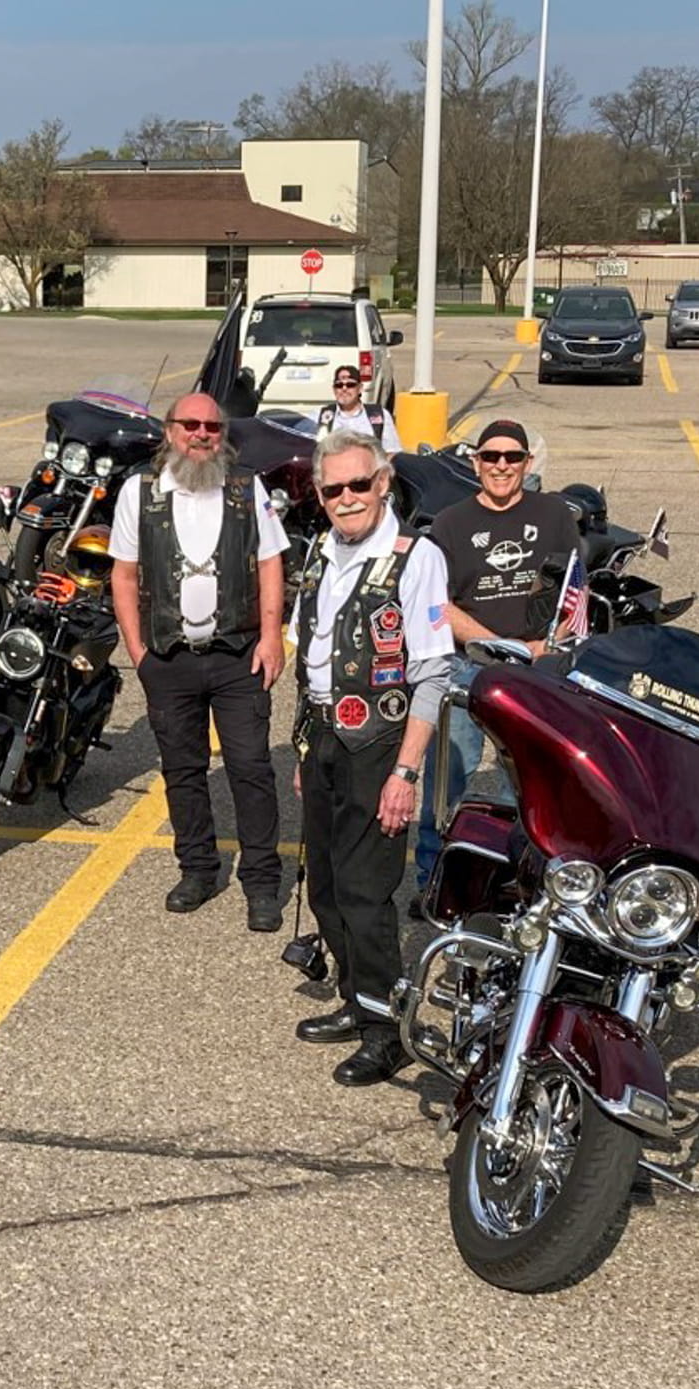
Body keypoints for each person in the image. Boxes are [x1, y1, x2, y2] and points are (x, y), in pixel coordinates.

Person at [288, 430, 453, 1085]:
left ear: (384, 483)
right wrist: (306, 747)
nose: (348, 498)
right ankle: (357, 1002)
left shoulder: (416, 558)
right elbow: (313, 658)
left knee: (365, 892)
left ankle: (389, 1029)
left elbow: (433, 672)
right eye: (335, 489)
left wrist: (405, 772)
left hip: (380, 747)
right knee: (327, 887)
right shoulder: (319, 553)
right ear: (320, 495)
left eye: (361, 484)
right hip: (324, 736)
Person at [109, 391, 289, 929]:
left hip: (238, 654)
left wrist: (272, 635)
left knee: (251, 769)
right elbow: (123, 575)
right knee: (183, 771)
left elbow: (270, 562)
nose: (202, 434)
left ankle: (261, 883)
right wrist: (138, 651)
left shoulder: (245, 488)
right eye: (190, 424)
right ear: (169, 431)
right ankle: (198, 870)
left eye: (212, 425)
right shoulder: (139, 493)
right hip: (168, 658)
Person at [412, 419, 583, 900]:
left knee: (530, 786)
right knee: (449, 781)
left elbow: (574, 588)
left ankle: (514, 882)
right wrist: (501, 648)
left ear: (528, 463)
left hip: (537, 669)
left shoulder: (554, 515)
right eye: (491, 457)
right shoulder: (450, 522)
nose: (501, 466)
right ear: (475, 462)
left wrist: (549, 645)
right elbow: (436, 606)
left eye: (512, 457)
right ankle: (432, 877)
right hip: (469, 667)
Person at [314, 364, 403, 454]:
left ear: (360, 388)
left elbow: (392, 453)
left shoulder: (380, 415)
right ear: (334, 390)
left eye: (350, 385)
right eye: (339, 385)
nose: (344, 388)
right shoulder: (320, 416)